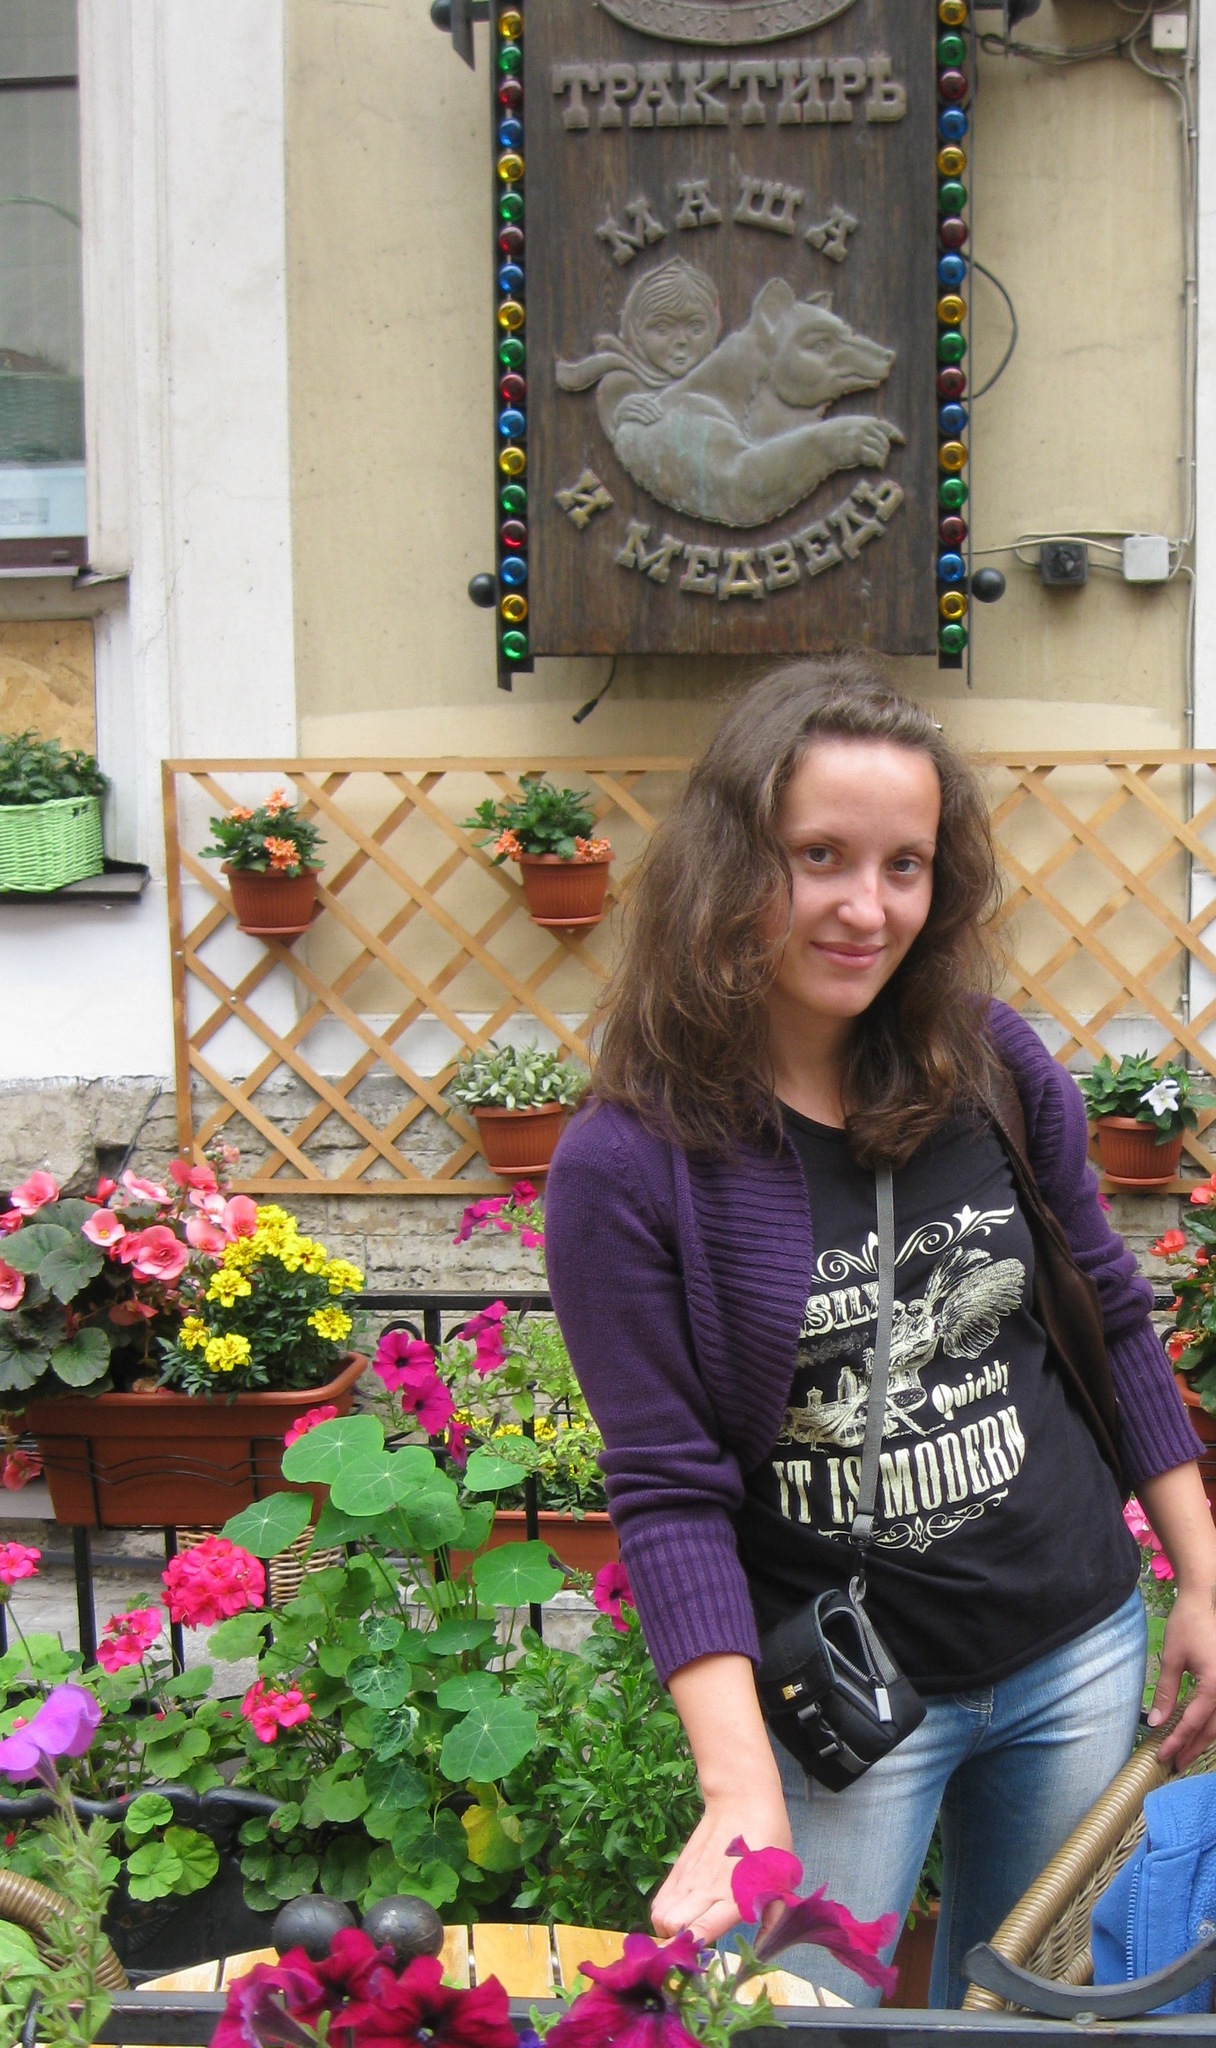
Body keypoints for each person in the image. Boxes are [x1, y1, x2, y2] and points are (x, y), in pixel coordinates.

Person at [544, 660, 1216, 2007]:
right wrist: (737, 1785)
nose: (868, 908)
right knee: (801, 2022)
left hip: (1075, 1649)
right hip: (842, 1702)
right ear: (732, 866)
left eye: (905, 865)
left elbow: (1108, 1317)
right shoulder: (629, 1165)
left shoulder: (992, 1066)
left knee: (1032, 2024)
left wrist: (1201, 1574)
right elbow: (667, 1488)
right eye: (820, 858)